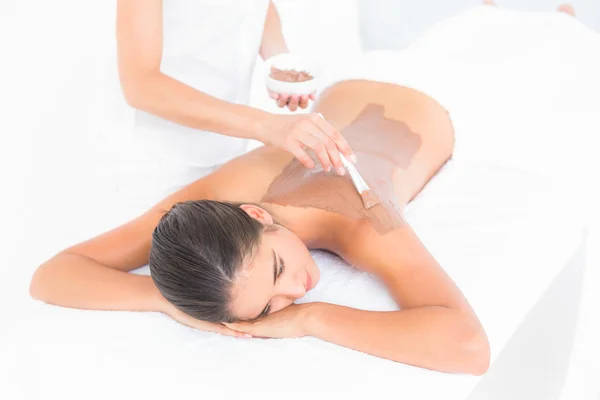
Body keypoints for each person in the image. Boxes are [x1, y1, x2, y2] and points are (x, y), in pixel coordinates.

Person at [31, 3, 593, 375]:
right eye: (272, 306)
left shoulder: (359, 215)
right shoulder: (216, 213)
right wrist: (170, 301)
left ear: (256, 214)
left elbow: (468, 349)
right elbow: (52, 275)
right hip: (370, 83)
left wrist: (313, 320)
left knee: (546, 31)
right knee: (495, 24)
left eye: (277, 272)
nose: (294, 292)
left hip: (454, 93)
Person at [113, 0, 355, 212]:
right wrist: (265, 125)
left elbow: (257, 6)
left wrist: (279, 62)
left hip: (227, 148)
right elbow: (141, 86)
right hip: (157, 160)